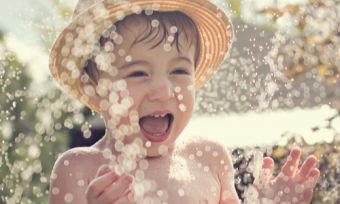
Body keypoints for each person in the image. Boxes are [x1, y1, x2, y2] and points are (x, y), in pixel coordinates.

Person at [48, 0, 320, 203]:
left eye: (178, 71)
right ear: (95, 88)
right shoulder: (80, 169)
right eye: (139, 73)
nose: (164, 91)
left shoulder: (209, 157)